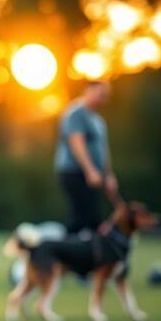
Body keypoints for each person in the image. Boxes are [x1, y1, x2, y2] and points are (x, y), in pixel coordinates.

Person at [54, 81, 119, 237]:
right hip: (75, 172)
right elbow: (76, 143)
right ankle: (66, 253)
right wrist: (90, 170)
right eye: (100, 94)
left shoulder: (97, 119)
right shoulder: (76, 113)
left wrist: (108, 174)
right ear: (87, 91)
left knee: (93, 217)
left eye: (105, 96)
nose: (103, 98)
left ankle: (90, 257)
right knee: (81, 217)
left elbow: (102, 149)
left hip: (93, 174)